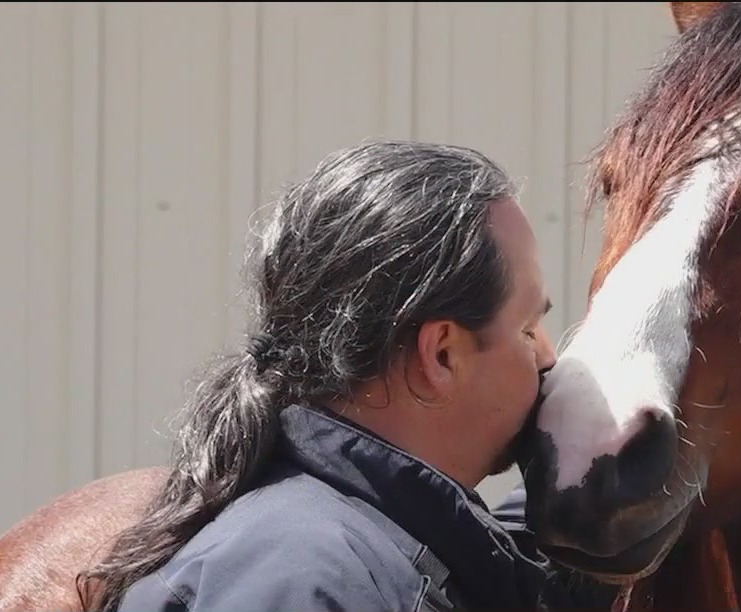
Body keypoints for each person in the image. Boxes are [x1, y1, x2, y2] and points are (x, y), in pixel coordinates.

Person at [77, 140, 615, 612]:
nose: (548, 359)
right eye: (528, 329)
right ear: (442, 355)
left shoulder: (359, 549)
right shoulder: (306, 580)